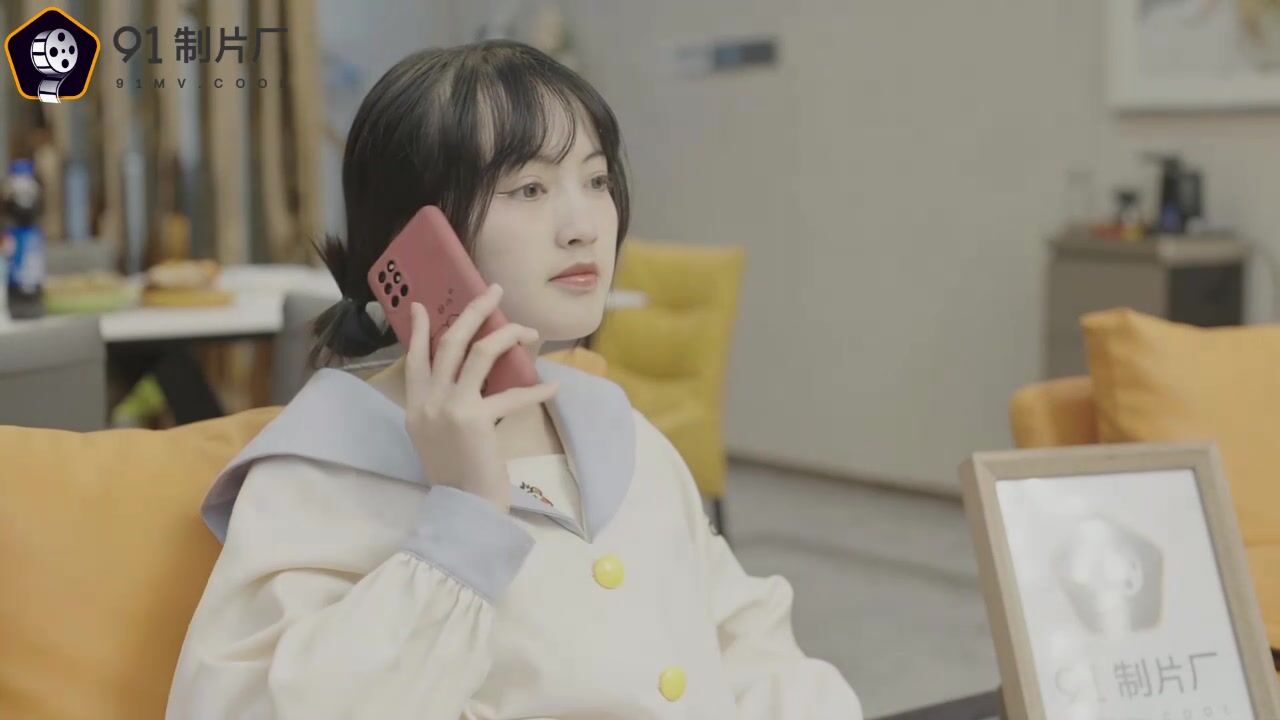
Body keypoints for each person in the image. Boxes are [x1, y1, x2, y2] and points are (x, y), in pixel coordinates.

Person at [166, 40, 862, 719]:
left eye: (596, 180)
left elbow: (749, 644)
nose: (583, 226)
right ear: (416, 241)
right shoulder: (320, 469)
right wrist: (465, 516)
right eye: (529, 189)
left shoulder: (617, 430)